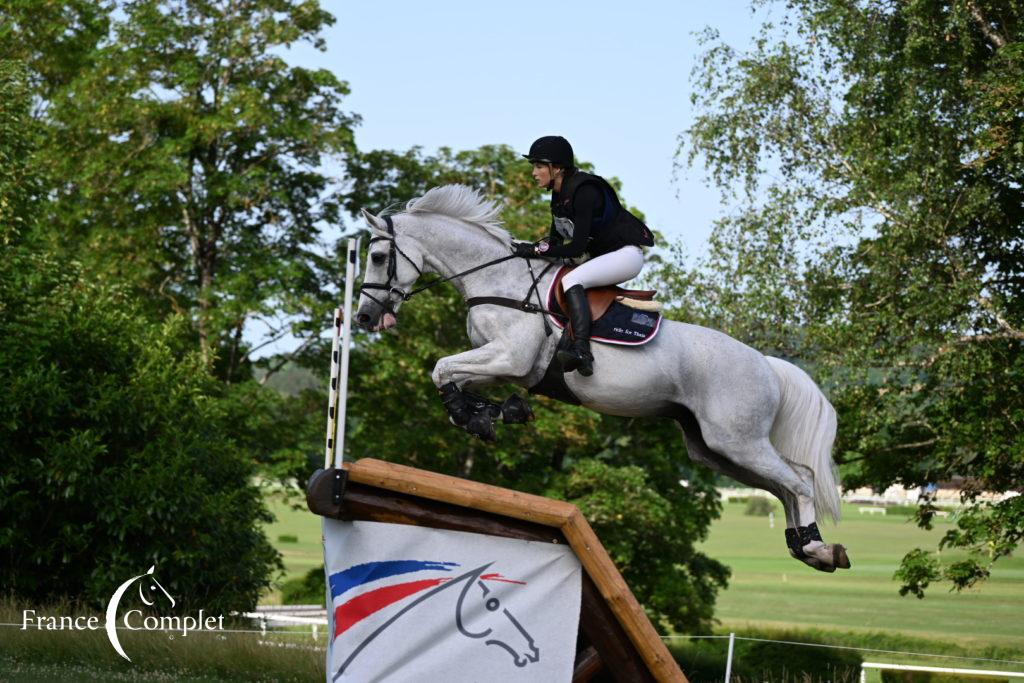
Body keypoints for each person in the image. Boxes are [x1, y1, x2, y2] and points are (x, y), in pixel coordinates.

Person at [514, 135, 654, 376]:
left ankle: (582, 351)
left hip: (625, 255)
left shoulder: (584, 191)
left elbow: (576, 248)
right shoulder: (558, 195)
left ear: (556, 168)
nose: (534, 173)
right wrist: (524, 249)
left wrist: (536, 250)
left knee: (572, 280)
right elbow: (554, 243)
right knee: (558, 275)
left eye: (539, 166)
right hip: (601, 257)